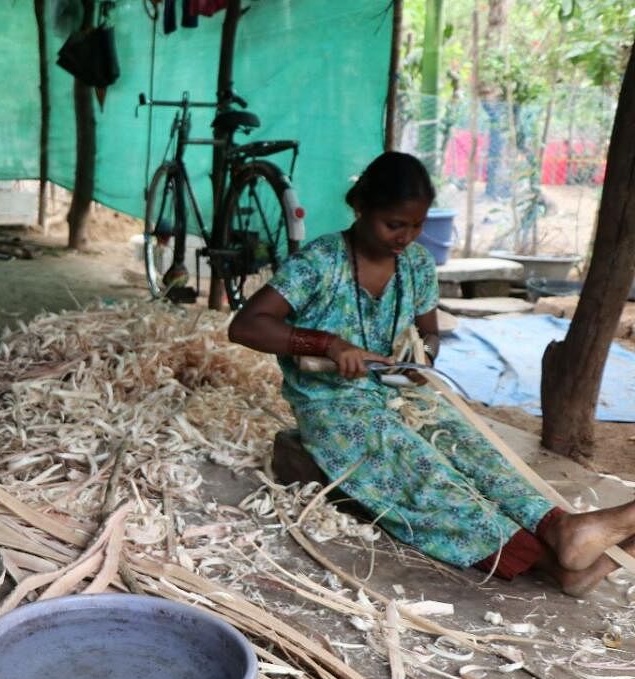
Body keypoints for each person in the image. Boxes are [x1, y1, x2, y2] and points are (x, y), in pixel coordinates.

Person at [228, 151, 635, 596]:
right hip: (334, 406)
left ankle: (560, 530)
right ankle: (558, 566)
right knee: (422, 475)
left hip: (400, 395)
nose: (406, 237)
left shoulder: (417, 264)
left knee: (475, 453)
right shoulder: (320, 262)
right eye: (394, 224)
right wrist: (327, 344)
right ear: (360, 205)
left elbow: (428, 335)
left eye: (417, 225)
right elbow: (246, 325)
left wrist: (422, 360)